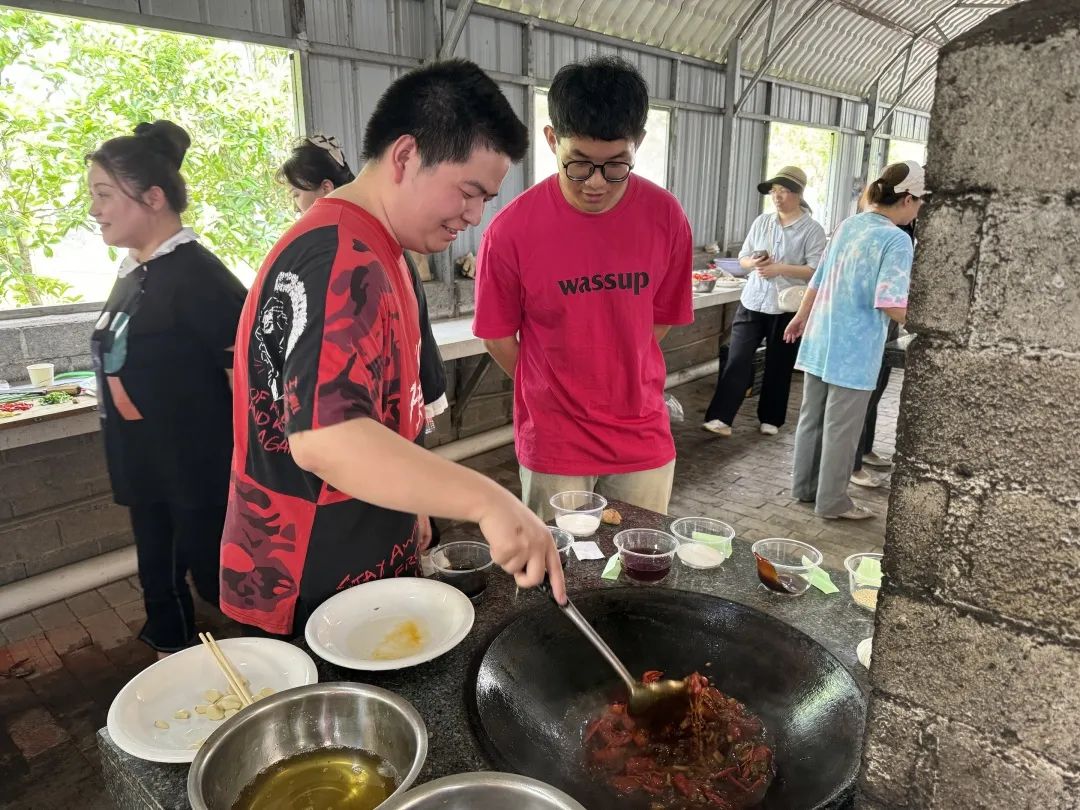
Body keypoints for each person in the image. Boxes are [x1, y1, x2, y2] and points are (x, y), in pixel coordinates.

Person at [220, 59, 566, 639]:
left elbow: (379, 409)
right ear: (405, 156)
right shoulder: (337, 255)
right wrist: (489, 501)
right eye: (469, 192)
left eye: (487, 198)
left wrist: (415, 500)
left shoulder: (384, 249)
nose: (475, 216)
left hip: (363, 561)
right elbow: (327, 438)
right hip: (312, 579)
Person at [473, 56, 693, 521]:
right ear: (552, 139)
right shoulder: (512, 230)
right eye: (578, 164)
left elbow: (661, 319)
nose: (596, 183)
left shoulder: (665, 216)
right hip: (555, 440)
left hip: (642, 435)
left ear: (638, 143)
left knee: (639, 557)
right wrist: (552, 386)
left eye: (616, 166)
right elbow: (497, 336)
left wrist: (617, 363)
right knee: (560, 560)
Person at [88, 120, 247, 655]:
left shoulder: (199, 278)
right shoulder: (136, 273)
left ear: (153, 198)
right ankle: (175, 663)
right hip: (148, 465)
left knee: (220, 585)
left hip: (197, 474)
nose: (94, 210)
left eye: (104, 194)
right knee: (160, 575)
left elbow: (249, 381)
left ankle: (269, 668)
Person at [278, 134, 449, 547]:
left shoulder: (349, 253)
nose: (472, 215)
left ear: (325, 188)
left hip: (397, 412)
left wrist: (473, 502)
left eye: (297, 194)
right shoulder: (339, 250)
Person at [783, 161, 926, 520]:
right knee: (842, 430)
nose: (920, 208)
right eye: (921, 201)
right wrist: (927, 326)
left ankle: (804, 489)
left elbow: (818, 279)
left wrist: (800, 317)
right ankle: (833, 502)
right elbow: (891, 302)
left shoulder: (849, 224)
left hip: (820, 337)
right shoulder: (897, 239)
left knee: (812, 419)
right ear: (908, 199)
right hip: (855, 348)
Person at [703, 166, 826, 438]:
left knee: (779, 363)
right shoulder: (762, 222)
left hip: (785, 307)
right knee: (737, 358)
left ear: (798, 194)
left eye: (784, 191)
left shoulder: (812, 230)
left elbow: (815, 270)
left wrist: (779, 268)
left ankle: (771, 418)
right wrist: (755, 263)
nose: (777, 197)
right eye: (774, 191)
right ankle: (720, 417)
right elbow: (743, 259)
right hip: (753, 301)